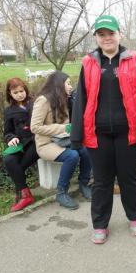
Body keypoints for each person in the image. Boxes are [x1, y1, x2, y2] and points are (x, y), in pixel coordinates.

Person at [70, 15, 136, 244]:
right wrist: (76, 135)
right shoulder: (88, 63)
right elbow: (81, 100)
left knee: (128, 178)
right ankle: (100, 224)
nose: (107, 38)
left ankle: (135, 217)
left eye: (111, 33)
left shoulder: (134, 60)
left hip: (129, 132)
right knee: (102, 181)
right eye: (101, 34)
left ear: (120, 34)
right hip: (98, 134)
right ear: (96, 37)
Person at [31, 71, 92, 210]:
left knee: (86, 149)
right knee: (72, 155)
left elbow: (68, 125)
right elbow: (35, 127)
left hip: (63, 140)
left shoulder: (63, 99)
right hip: (46, 144)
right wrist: (61, 128)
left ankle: (83, 185)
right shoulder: (43, 100)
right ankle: (61, 192)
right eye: (68, 83)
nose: (71, 86)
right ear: (59, 84)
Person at [3, 78, 39, 212]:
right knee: (8, 159)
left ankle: (22, 193)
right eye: (15, 92)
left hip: (37, 142)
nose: (19, 94)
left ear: (25, 90)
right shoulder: (9, 111)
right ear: (10, 93)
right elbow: (7, 132)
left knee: (18, 167)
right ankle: (25, 194)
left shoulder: (35, 103)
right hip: (21, 143)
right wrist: (11, 138)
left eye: (21, 91)